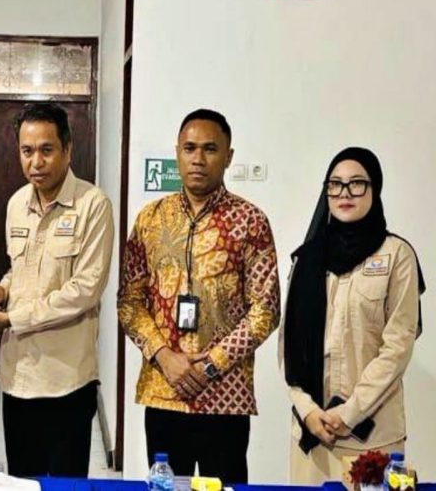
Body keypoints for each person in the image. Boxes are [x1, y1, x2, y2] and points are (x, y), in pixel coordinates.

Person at [118, 108, 280, 484]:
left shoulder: (250, 221)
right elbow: (129, 302)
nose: (198, 159)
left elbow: (266, 310)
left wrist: (211, 365)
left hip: (225, 395)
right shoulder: (150, 220)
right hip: (164, 389)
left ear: (228, 156)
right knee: (165, 486)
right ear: (177, 152)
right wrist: (164, 356)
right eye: (189, 148)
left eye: (210, 149)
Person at [0, 103, 115, 477]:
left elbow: (84, 289)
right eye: (27, 151)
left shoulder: (93, 205)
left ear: (68, 149)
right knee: (22, 481)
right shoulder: (17, 203)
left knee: (65, 484)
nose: (36, 162)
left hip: (66, 380)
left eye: (46, 150)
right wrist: (2, 291)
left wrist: (10, 318)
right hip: (17, 377)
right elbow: (20, 271)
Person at [281, 147, 426, 484]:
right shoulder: (306, 259)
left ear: (375, 189)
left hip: (372, 436)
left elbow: (397, 347)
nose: (344, 193)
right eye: (335, 184)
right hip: (312, 433)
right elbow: (287, 346)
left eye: (357, 183)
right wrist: (308, 410)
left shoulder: (397, 255)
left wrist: (348, 413)